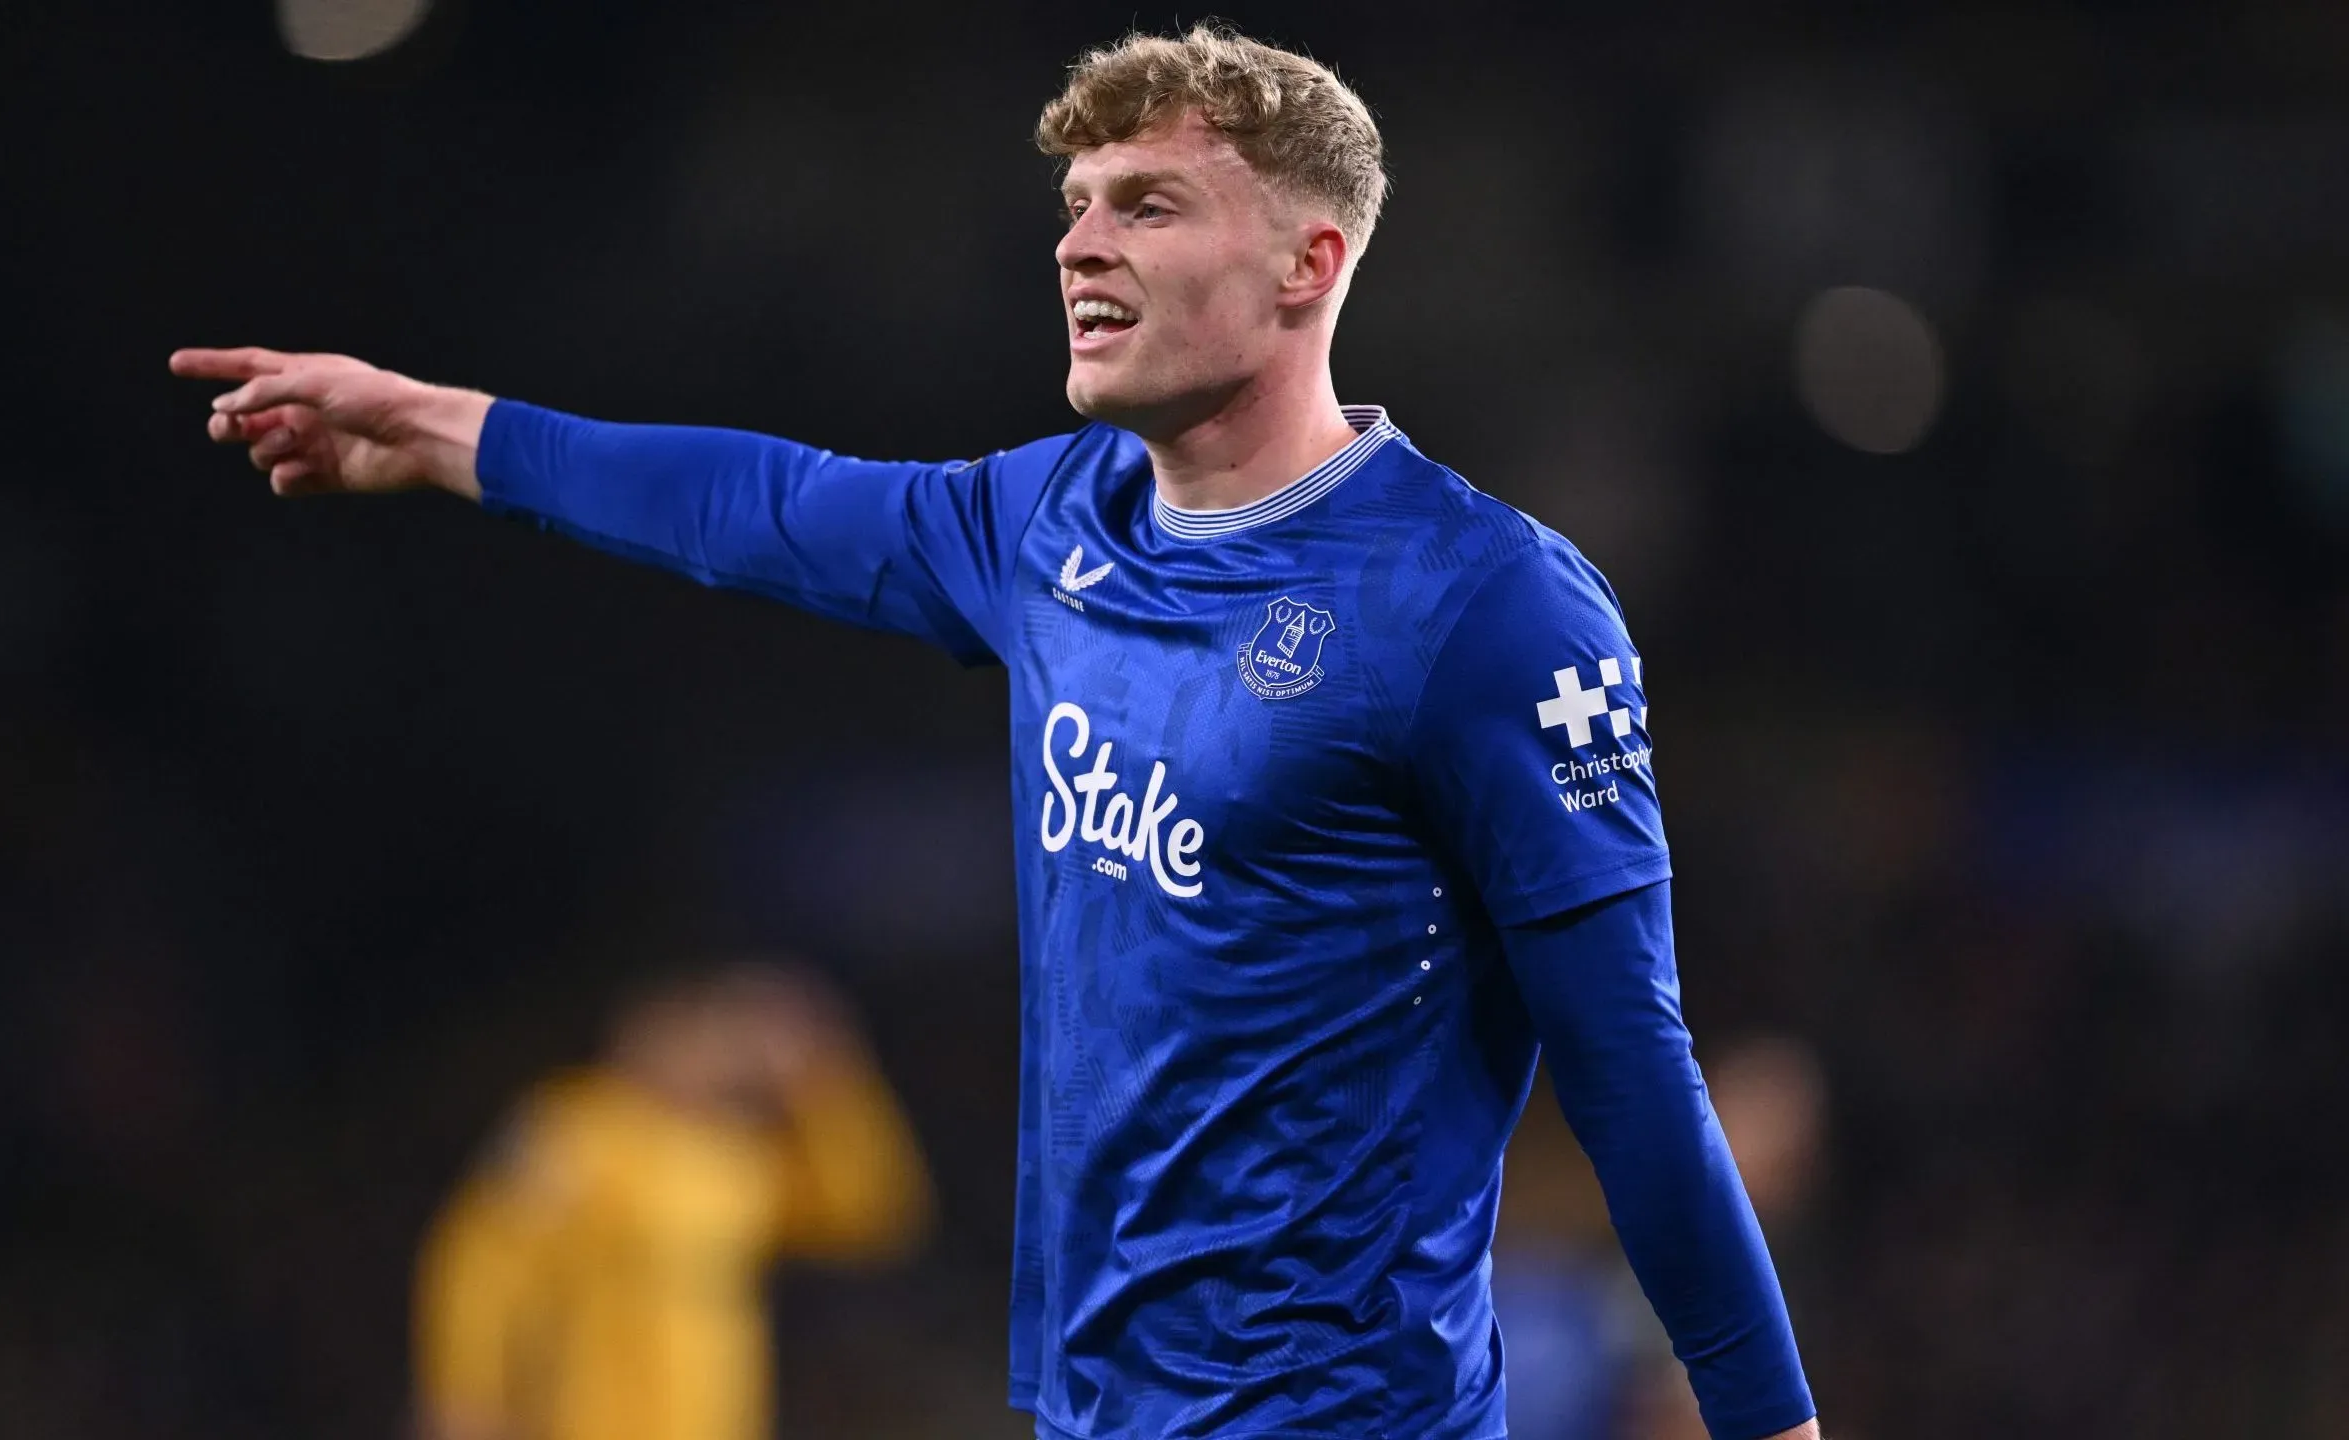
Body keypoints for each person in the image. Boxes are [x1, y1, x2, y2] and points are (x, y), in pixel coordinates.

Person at [176, 24, 1819, 1440]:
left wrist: (1770, 1420)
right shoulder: (1051, 525)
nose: (1080, 245)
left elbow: (1633, 1072)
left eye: (1147, 204)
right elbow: (764, 503)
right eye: (1076, 205)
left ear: (1309, 265)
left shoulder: (1489, 607)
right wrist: (439, 429)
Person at [413, 959, 931, 1440]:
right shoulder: (578, 1130)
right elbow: (484, 1261)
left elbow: (869, 1212)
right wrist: (464, 1388)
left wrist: (823, 1080)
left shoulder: (732, 1155)